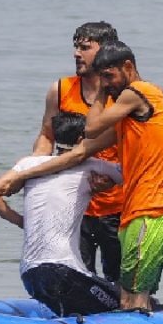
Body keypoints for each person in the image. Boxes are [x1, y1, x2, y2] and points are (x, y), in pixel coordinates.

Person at [0, 41, 163, 311]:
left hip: (152, 211)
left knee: (131, 299)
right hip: (134, 211)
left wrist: (100, 91)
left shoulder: (139, 91)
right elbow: (79, 153)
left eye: (109, 76)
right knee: (130, 297)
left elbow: (90, 127)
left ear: (128, 67)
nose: (106, 83)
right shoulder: (129, 122)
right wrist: (25, 174)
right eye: (102, 78)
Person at [0, 112, 122, 316]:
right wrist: (108, 183)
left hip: (30, 275)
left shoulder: (28, 164)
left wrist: (24, 222)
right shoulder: (92, 166)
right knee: (122, 302)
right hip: (64, 273)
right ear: (82, 140)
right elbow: (135, 176)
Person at [32, 21, 124, 283]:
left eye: (85, 48)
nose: (76, 53)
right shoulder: (60, 90)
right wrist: (35, 171)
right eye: (76, 47)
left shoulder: (123, 96)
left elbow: (135, 149)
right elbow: (46, 136)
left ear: (105, 51)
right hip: (72, 206)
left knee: (119, 280)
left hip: (115, 206)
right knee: (74, 279)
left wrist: (111, 180)